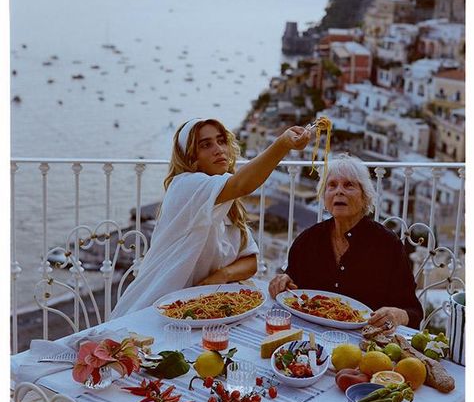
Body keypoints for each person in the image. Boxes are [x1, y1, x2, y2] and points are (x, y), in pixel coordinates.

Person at [111, 117, 311, 318]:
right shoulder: (185, 186)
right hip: (152, 308)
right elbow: (242, 184)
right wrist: (283, 143)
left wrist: (221, 276)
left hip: (196, 308)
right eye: (206, 145)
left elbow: (250, 261)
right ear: (190, 157)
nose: (218, 149)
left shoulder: (227, 206)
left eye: (221, 141)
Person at [268, 154, 423, 331]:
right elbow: (292, 288)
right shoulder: (307, 241)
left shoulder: (387, 245)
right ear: (324, 197)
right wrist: (282, 282)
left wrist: (397, 315)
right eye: (332, 186)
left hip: (366, 341)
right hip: (310, 336)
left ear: (365, 197)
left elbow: (414, 311)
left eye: (349, 185)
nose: (339, 191)